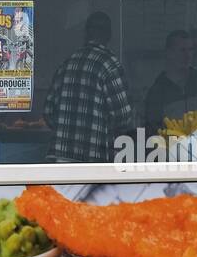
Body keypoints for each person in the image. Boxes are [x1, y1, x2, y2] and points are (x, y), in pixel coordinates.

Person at [42, 11, 134, 162]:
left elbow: (48, 112)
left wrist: (67, 130)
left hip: (59, 159)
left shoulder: (67, 63)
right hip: (92, 159)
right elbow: (123, 115)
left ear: (86, 33)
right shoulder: (109, 65)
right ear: (108, 35)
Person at [143, 29, 197, 136]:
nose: (188, 55)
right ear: (168, 53)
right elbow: (153, 135)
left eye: (190, 50)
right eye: (182, 50)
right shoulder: (157, 93)